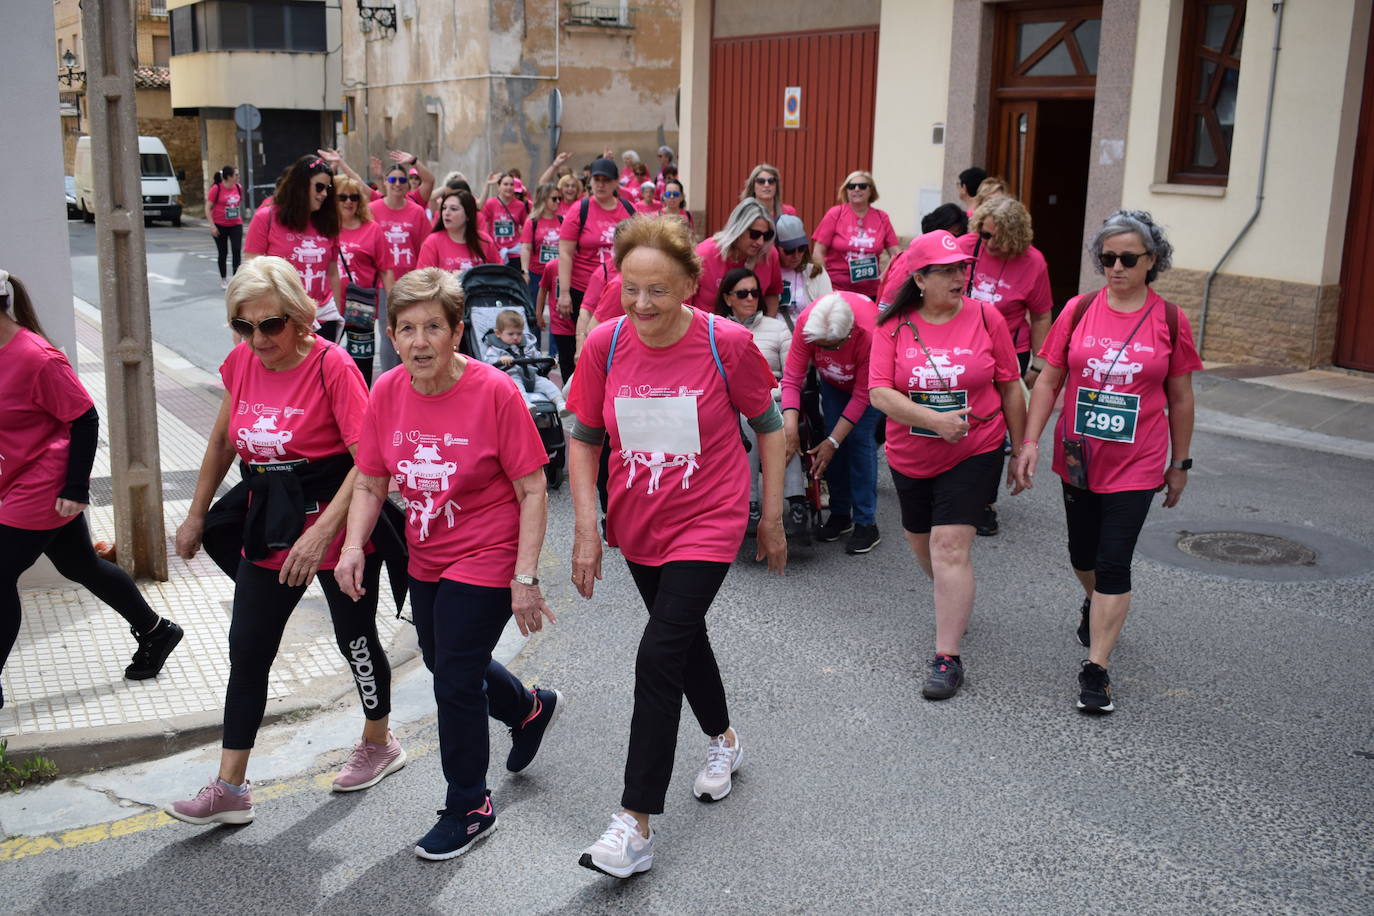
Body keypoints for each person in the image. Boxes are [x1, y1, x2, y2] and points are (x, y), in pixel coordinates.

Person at [567, 214, 787, 879]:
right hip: (639, 525)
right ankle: (723, 740)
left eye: (657, 290)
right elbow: (582, 437)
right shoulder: (604, 345)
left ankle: (633, 825)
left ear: (692, 284)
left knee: (658, 654)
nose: (641, 304)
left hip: (709, 520)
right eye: (630, 287)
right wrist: (585, 525)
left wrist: (770, 516)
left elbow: (770, 427)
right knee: (682, 640)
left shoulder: (728, 344)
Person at [166, 257, 405, 826]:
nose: (257, 338)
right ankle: (231, 787)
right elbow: (224, 440)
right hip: (267, 523)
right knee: (247, 649)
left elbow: (371, 461)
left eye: (269, 325)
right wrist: (195, 515)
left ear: (300, 319)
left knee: (356, 639)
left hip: (337, 520)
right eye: (243, 326)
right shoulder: (242, 363)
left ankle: (379, 740)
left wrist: (324, 533)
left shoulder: (334, 366)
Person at [335, 267, 562, 860]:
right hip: (426, 551)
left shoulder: (494, 392)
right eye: (406, 328)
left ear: (457, 332)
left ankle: (469, 805)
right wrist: (354, 544)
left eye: (433, 327)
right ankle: (527, 708)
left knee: (454, 676)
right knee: (442, 659)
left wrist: (525, 577)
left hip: (490, 551)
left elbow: (534, 489)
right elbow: (371, 479)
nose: (419, 341)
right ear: (392, 334)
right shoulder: (386, 391)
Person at [1012, 210, 1200, 715]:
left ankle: (1096, 668)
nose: (1115, 267)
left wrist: (1180, 462)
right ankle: (1094, 601)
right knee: (1083, 554)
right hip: (1079, 455)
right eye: (1107, 258)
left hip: (1139, 460)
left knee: (1115, 560)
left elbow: (1180, 397)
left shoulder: (1169, 320)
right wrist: (1028, 442)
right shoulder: (1078, 310)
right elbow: (1049, 381)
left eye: (1127, 258)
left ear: (1151, 261)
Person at [0, 270, 183, 710]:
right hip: (16, 478)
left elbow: (84, 418)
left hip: (44, 484)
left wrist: (75, 487)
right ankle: (157, 631)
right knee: (81, 565)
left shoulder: (38, 357)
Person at [868, 231, 1029, 701]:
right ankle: (954, 598)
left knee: (950, 546)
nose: (962, 276)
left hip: (975, 448)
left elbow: (1009, 385)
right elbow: (880, 393)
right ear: (919, 278)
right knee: (925, 547)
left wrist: (1019, 449)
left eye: (963, 267)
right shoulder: (892, 325)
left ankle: (947, 657)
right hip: (911, 454)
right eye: (948, 270)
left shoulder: (987, 316)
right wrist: (933, 421)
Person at [961, 195, 1054, 536]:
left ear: (1014, 237)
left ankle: (984, 504)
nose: (985, 243)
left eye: (994, 238)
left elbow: (1041, 314)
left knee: (992, 428)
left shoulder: (1033, 263)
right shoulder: (967, 246)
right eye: (983, 234)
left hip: (1009, 352)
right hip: (961, 346)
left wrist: (1040, 362)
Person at [780, 291, 882, 555]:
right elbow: (792, 378)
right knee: (828, 443)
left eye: (831, 346)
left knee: (858, 440)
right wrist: (789, 428)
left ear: (849, 333)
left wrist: (835, 440)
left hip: (869, 386)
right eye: (820, 346)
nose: (825, 352)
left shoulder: (870, 333)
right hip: (834, 383)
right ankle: (840, 512)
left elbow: (862, 395)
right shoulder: (807, 323)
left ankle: (866, 521)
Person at [714, 267, 809, 537]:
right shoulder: (716, 330)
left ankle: (797, 502)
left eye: (755, 293)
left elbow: (794, 376)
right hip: (732, 405)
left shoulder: (777, 327)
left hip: (774, 398)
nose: (750, 298)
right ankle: (751, 503)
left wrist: (767, 397)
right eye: (742, 293)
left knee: (777, 422)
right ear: (728, 297)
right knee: (748, 419)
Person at [244, 155, 346, 342]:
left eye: (328, 188)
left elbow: (332, 273)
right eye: (319, 187)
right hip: (280, 316)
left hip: (323, 315)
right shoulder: (265, 218)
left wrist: (338, 311)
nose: (324, 193)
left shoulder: (328, 221)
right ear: (301, 185)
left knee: (321, 371)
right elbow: (250, 274)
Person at [555, 157, 636, 381]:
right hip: (583, 287)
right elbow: (565, 252)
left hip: (621, 286)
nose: (600, 185)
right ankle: (577, 393)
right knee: (582, 342)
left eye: (606, 180)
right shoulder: (579, 210)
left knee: (616, 343)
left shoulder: (628, 209)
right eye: (596, 179)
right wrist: (564, 293)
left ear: (616, 183)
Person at [370, 161, 434, 374]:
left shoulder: (416, 212)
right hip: (382, 284)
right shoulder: (372, 210)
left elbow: (424, 248)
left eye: (402, 180)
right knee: (389, 333)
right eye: (392, 180)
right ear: (384, 183)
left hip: (410, 284)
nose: (397, 184)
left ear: (408, 185)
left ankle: (410, 375)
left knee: (411, 331)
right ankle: (390, 378)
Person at [336, 175, 395, 382]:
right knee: (325, 359)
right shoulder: (325, 228)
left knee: (361, 363)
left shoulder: (372, 230)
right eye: (342, 197)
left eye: (353, 197)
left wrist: (393, 304)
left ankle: (361, 407)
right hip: (330, 308)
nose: (348, 202)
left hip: (361, 307)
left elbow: (386, 270)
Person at [812, 170, 900, 300]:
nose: (857, 189)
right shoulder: (835, 214)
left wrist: (887, 276)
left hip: (870, 291)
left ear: (871, 190)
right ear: (846, 191)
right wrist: (824, 283)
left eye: (862, 186)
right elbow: (818, 252)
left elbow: (896, 254)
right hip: (836, 288)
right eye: (851, 186)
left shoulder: (882, 217)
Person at [692, 198, 783, 316]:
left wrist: (767, 329)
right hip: (707, 330)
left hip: (752, 331)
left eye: (766, 235)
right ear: (738, 229)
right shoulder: (704, 255)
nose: (761, 242)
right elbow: (683, 302)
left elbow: (772, 293)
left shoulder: (769, 255)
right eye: (755, 234)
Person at [482, 308, 567, 412]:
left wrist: (548, 362)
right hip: (511, 377)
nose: (515, 337)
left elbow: (537, 358)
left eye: (519, 333)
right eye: (511, 334)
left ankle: (560, 403)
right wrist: (500, 359)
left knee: (547, 384)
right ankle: (526, 405)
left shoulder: (527, 345)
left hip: (532, 376)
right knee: (516, 387)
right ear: (498, 333)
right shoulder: (495, 348)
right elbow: (487, 363)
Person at [519, 182, 564, 352]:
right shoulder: (533, 222)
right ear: (544, 199)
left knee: (557, 313)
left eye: (560, 198)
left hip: (556, 274)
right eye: (554, 198)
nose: (558, 202)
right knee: (533, 312)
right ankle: (534, 350)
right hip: (536, 272)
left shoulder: (561, 221)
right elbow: (526, 247)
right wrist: (524, 271)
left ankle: (554, 353)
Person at [417, 189, 500, 276]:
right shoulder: (432, 241)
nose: (446, 213)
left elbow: (499, 274)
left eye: (453, 209)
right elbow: (423, 281)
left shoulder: (485, 240)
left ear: (468, 215)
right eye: (444, 208)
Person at [774, 214, 832, 325]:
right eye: (789, 250)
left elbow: (828, 309)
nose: (796, 255)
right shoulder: (768, 272)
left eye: (801, 248)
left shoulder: (816, 272)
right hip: (776, 335)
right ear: (776, 247)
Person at [480, 173, 528, 269]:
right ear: (498, 187)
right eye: (505, 184)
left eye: (511, 184)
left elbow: (526, 227)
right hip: (496, 251)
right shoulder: (490, 204)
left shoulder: (520, 205)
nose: (509, 187)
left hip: (515, 252)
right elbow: (484, 225)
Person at [208, 165, 245, 289]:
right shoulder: (216, 188)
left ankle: (236, 278)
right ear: (228, 177)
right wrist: (212, 226)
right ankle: (223, 278)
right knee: (223, 252)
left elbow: (238, 203)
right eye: (236, 175)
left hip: (236, 224)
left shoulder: (239, 188)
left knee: (236, 250)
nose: (238, 177)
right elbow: (208, 208)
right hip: (220, 225)